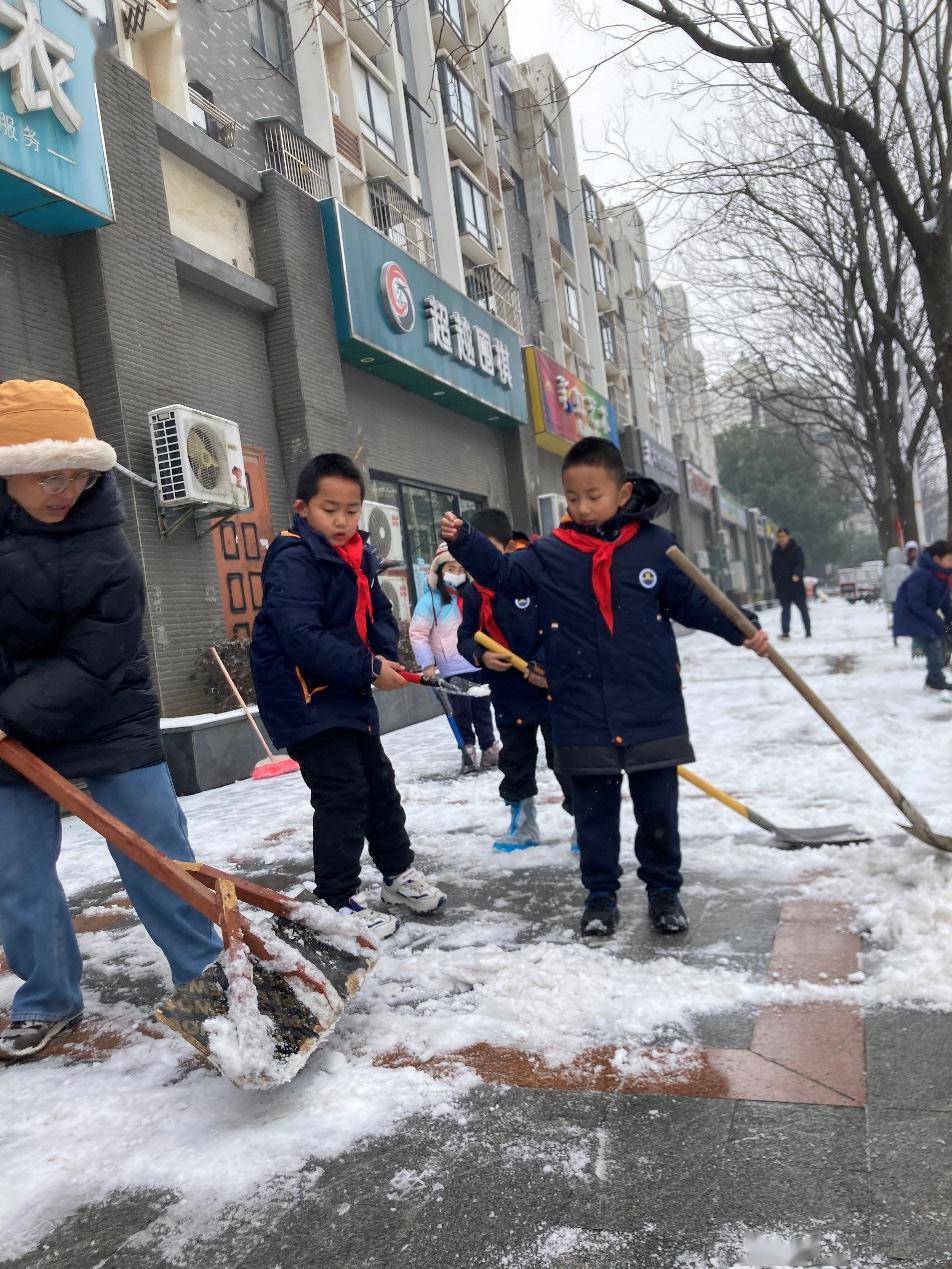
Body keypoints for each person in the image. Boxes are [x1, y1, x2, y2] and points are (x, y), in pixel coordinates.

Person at [441, 437, 769, 939]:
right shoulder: (552, 554)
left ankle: (664, 893)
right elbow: (504, 576)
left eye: (593, 496)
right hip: (580, 705)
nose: (582, 507)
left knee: (658, 810)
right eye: (573, 497)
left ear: (622, 493)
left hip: (649, 700)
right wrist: (467, 541)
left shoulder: (656, 547)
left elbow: (696, 602)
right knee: (593, 814)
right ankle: (600, 897)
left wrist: (743, 627)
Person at [0, 379, 223, 1061]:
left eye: (77, 473)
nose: (64, 489)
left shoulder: (110, 552)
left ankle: (210, 985)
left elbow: (95, 661)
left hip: (109, 717)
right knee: (16, 870)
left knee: (158, 855)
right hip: (10, 732)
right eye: (47, 475)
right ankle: (48, 998)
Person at [250, 453, 446, 938]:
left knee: (378, 783)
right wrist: (367, 667)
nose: (341, 520)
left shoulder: (357, 555)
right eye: (329, 509)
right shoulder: (294, 558)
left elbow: (378, 611)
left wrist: (383, 656)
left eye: (351, 510)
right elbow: (301, 635)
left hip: (346, 690)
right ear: (302, 508)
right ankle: (335, 900)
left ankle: (397, 875)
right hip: (306, 697)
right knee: (343, 793)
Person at [457, 507, 575, 852]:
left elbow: (560, 628)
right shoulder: (474, 594)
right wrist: (481, 656)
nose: (481, 562)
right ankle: (523, 824)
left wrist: (542, 663)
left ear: (507, 548)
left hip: (549, 690)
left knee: (566, 760)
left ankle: (585, 823)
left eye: (488, 551)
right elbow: (466, 636)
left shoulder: (534, 579)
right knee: (515, 763)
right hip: (508, 693)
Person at [408, 542, 499, 775]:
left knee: (482, 710)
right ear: (439, 571)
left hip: (477, 662)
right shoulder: (430, 601)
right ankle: (467, 749)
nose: (456, 574)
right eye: (450, 568)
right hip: (452, 668)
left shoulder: (473, 597)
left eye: (461, 569)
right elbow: (418, 633)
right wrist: (428, 664)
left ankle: (489, 748)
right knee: (461, 712)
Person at [892, 539, 952, 700]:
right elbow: (916, 603)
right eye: (949, 559)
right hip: (910, 615)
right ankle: (936, 680)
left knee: (941, 639)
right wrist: (936, 621)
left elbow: (945, 601)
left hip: (924, 614)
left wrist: (949, 617)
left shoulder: (942, 575)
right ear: (937, 559)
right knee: (933, 642)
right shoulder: (922, 574)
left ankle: (933, 677)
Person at [771, 528, 811, 640]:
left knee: (803, 609)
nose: (781, 539)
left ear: (788, 537)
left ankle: (808, 631)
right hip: (783, 586)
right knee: (785, 610)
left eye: (783, 536)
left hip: (795, 584)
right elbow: (773, 567)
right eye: (779, 537)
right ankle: (785, 633)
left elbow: (800, 563)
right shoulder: (776, 552)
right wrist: (775, 580)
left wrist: (797, 574)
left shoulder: (796, 549)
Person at [881, 546, 910, 643]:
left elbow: (883, 586)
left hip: (893, 598)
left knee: (896, 616)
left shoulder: (886, 571)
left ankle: (896, 634)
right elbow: (910, 583)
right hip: (904, 597)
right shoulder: (905, 569)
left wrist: (885, 598)